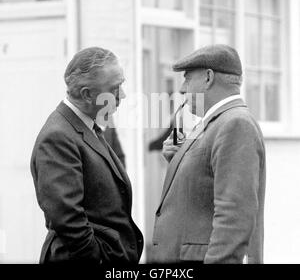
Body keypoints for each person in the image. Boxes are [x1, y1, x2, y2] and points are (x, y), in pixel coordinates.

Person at [152, 44, 266, 264]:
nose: (183, 89)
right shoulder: (212, 123)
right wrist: (176, 160)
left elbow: (234, 219)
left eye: (187, 79)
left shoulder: (236, 125)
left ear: (208, 78)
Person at [30, 47, 143, 263]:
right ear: (87, 95)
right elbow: (67, 219)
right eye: (115, 88)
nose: (123, 95)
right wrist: (97, 258)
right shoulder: (58, 137)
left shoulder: (88, 125)